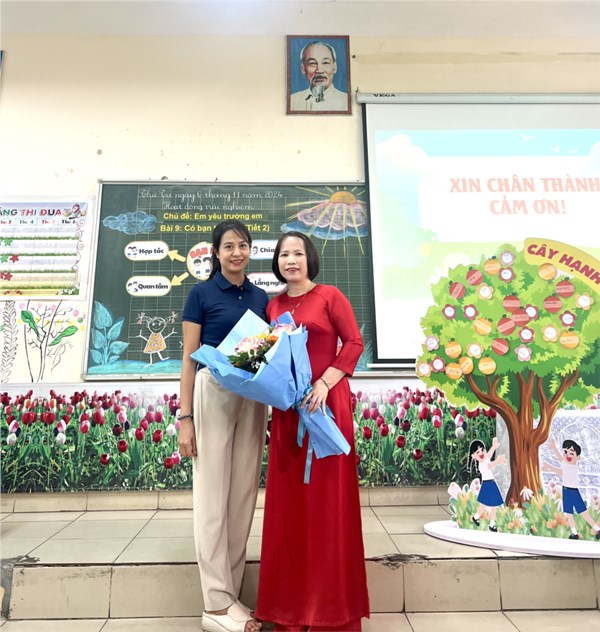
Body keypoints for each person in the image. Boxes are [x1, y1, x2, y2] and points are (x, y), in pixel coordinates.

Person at [255, 231, 369, 631]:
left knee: (327, 506)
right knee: (290, 510)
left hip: (326, 407)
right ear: (277, 262)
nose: (291, 260)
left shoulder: (330, 296)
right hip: (290, 413)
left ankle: (329, 614)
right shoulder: (272, 306)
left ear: (310, 259)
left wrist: (324, 383)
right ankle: (291, 612)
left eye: (298, 253)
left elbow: (353, 343)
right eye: (284, 254)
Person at [178, 219, 269, 632]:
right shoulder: (201, 293)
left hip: (252, 394)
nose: (237, 252)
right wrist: (185, 418)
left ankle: (230, 595)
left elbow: (265, 351)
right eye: (229, 246)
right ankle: (214, 604)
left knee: (242, 496)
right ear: (216, 252)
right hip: (212, 390)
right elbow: (188, 359)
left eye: (243, 245)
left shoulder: (261, 297)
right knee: (212, 495)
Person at [542, 437, 600, 540]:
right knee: (569, 513)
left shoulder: (573, 467)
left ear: (578, 457)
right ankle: (574, 533)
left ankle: (597, 529)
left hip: (573, 492)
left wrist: (548, 467)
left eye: (571, 453)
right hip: (566, 491)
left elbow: (561, 472)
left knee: (583, 513)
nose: (567, 455)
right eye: (565, 452)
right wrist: (554, 447)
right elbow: (560, 459)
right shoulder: (566, 463)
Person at [289, 41, 349, 112]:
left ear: (334, 67)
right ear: (303, 68)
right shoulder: (293, 101)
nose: (319, 70)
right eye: (312, 63)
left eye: (325, 62)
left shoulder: (346, 101)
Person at [468, 437, 507, 532]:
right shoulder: (481, 465)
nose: (481, 453)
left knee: (490, 505)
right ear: (473, 456)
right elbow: (490, 465)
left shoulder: (485, 459)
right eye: (477, 452)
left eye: (482, 450)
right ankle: (485, 521)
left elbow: (488, 455)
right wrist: (498, 460)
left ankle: (485, 521)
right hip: (488, 485)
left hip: (491, 484)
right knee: (488, 504)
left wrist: (493, 447)